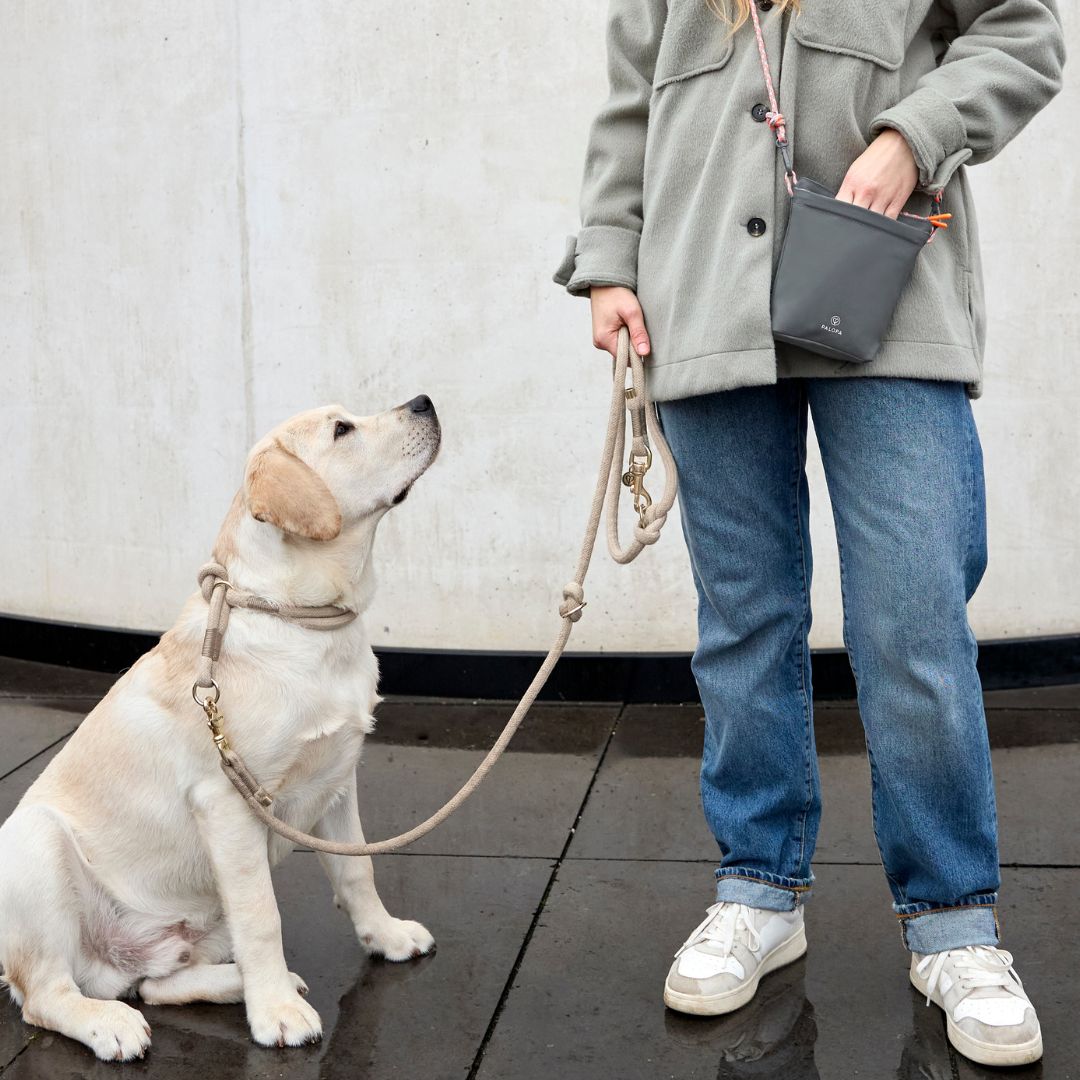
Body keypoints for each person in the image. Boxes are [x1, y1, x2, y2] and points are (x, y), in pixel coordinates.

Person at [553, 0, 1065, 1068]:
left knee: (913, 617)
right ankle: (759, 889)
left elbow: (1022, 32)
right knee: (743, 621)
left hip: (888, 295)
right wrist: (609, 260)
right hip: (701, 303)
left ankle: (954, 923)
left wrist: (908, 137)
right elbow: (627, 109)